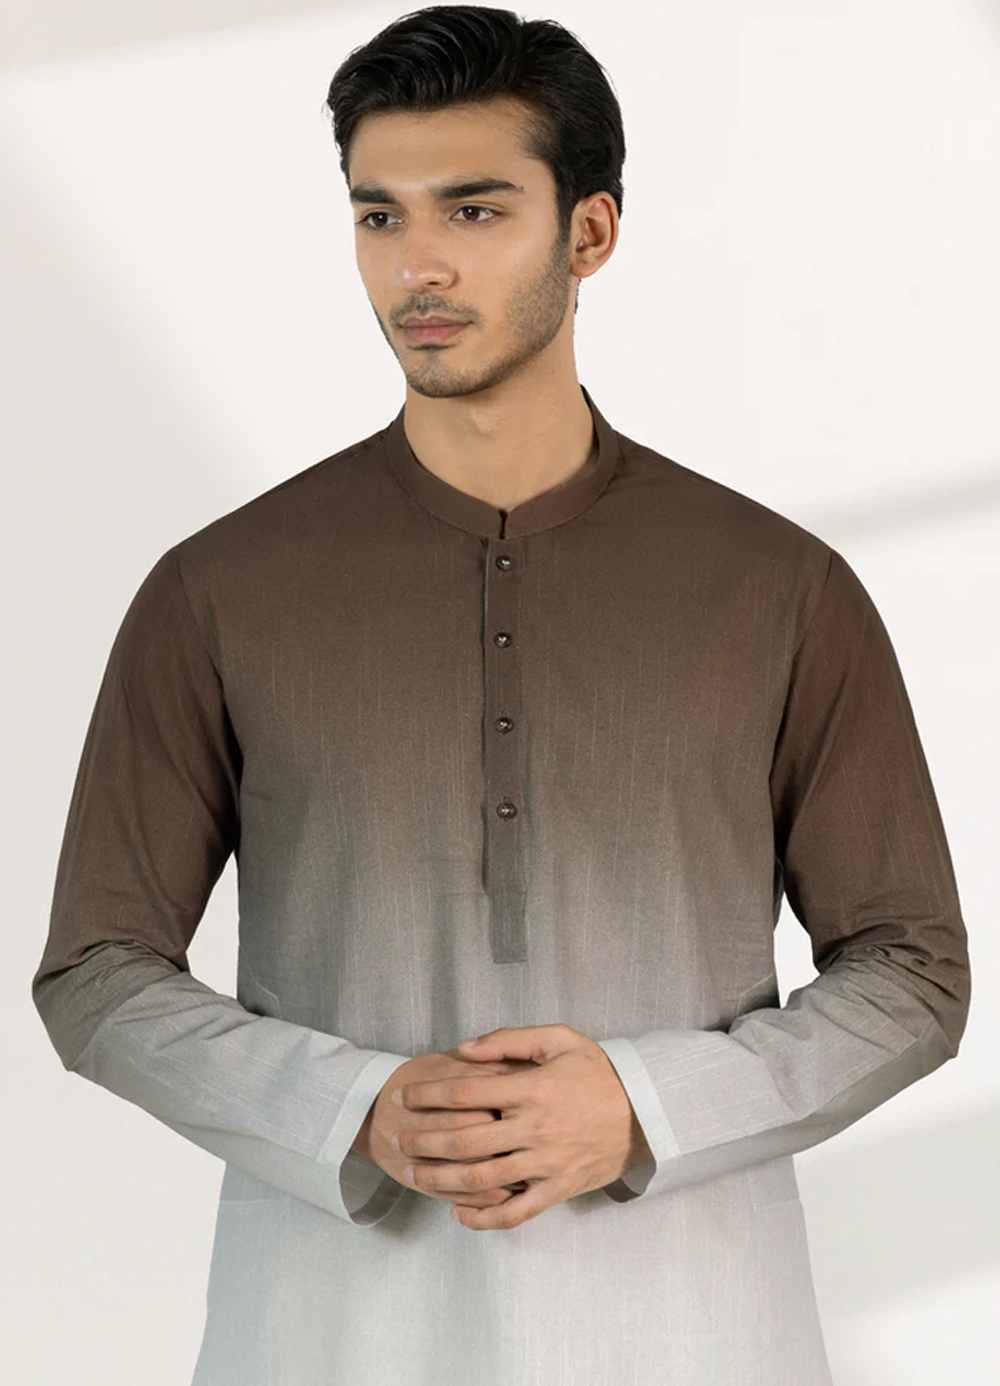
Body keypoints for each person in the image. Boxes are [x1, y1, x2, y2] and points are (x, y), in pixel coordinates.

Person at [31, 6, 970, 1384]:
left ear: (589, 233)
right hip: (327, 1340)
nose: (418, 265)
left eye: (474, 211)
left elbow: (912, 970)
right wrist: (350, 1106)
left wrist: (644, 1104)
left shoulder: (781, 588)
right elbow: (96, 973)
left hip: (698, 1336)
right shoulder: (220, 587)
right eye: (380, 216)